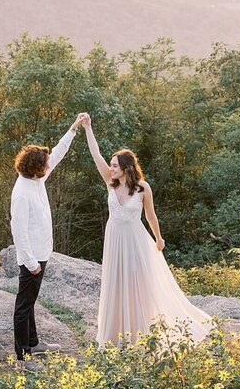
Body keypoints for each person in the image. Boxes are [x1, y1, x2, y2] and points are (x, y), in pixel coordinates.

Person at [79, 112, 213, 347]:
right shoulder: (110, 182)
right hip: (114, 238)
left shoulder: (142, 188)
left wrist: (159, 238)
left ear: (127, 168)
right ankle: (116, 332)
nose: (111, 169)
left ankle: (141, 330)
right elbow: (95, 154)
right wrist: (88, 128)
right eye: (110, 166)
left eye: (115, 166)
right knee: (116, 283)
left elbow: (151, 216)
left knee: (139, 283)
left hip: (135, 240)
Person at [10, 112, 86, 371]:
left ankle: (34, 343)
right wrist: (30, 262)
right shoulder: (21, 193)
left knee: (30, 302)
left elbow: (58, 152)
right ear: (35, 168)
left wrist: (74, 128)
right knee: (23, 305)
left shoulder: (36, 178)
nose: (48, 165)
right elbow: (17, 231)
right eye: (44, 163)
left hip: (41, 252)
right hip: (32, 257)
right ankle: (23, 357)